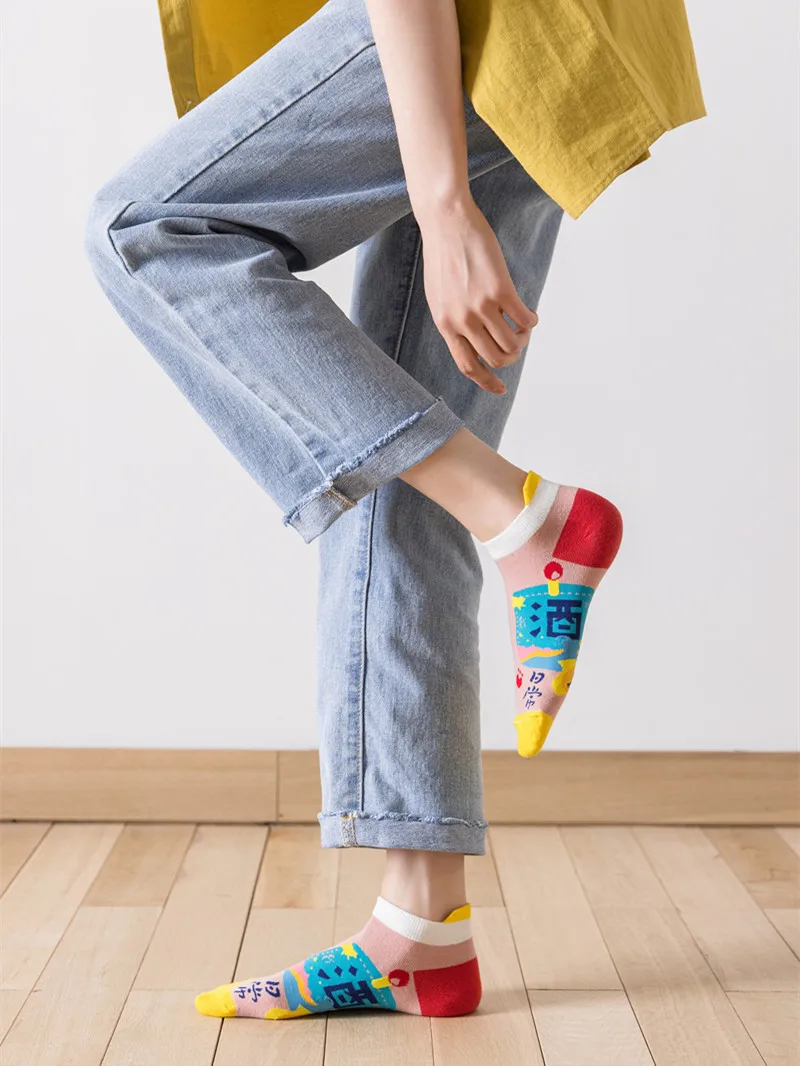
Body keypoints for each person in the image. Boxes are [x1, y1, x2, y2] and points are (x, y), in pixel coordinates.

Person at [84, 0, 704, 1021]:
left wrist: (441, 200)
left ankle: (523, 520)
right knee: (399, 465)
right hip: (533, 36)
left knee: (149, 230)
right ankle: (420, 933)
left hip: (491, 21)